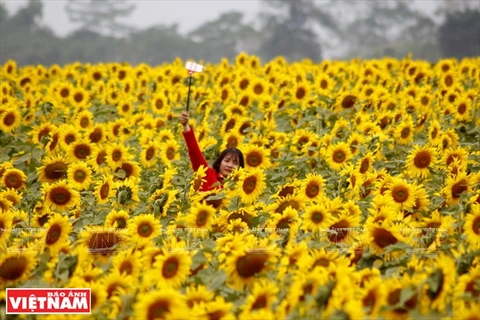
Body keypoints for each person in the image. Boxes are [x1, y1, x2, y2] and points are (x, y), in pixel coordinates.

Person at [179, 111, 244, 192]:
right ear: (219, 162)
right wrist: (186, 126)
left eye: (235, 163)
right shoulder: (207, 174)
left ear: (240, 167)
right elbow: (195, 153)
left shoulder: (241, 189)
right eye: (227, 160)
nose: (230, 165)